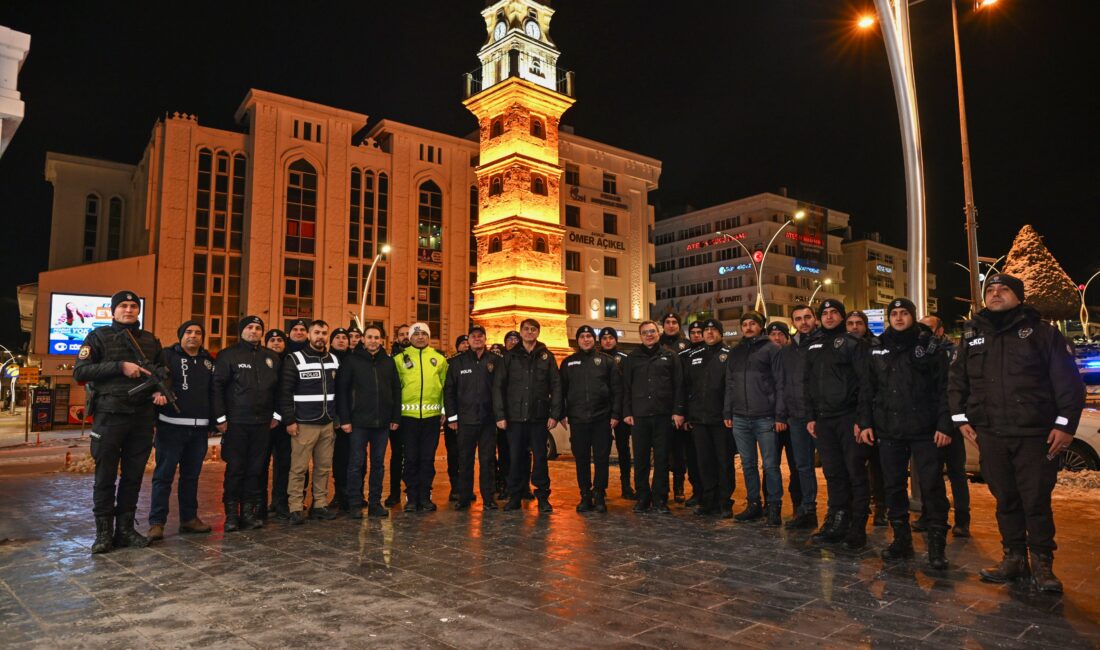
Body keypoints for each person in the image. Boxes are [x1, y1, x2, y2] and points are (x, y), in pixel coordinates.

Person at [949, 274, 1086, 593]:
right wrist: (960, 418)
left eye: (1004, 289)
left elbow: (1068, 383)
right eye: (991, 290)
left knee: (1035, 500)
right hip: (991, 434)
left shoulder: (1042, 333)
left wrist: (1065, 425)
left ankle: (1042, 564)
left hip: (1034, 435)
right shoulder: (972, 334)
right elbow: (957, 380)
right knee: (1005, 499)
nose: (995, 294)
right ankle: (1013, 558)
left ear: (1019, 297)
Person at [74, 290, 167, 553]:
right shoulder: (98, 337)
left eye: (133, 306)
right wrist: (119, 366)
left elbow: (163, 371)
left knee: (133, 476)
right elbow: (80, 371)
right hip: (109, 415)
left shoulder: (150, 340)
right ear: (113, 310)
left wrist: (159, 390)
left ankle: (125, 530)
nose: (128, 310)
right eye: (123, 306)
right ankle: (103, 534)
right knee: (105, 476)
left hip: (141, 417)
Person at [864, 298, 953, 570]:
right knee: (893, 486)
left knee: (932, 486)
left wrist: (944, 424)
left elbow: (944, 389)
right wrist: (866, 422)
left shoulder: (928, 346)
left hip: (925, 429)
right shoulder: (877, 346)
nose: (899, 318)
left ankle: (937, 545)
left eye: (904, 313)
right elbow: (868, 389)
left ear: (912, 316)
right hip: (889, 428)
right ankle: (901, 540)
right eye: (894, 313)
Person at [804, 299, 874, 549]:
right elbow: (808, 383)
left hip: (848, 418)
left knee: (855, 473)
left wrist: (862, 419)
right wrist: (811, 416)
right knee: (833, 473)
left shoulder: (853, 343)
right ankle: (836, 521)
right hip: (824, 420)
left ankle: (857, 527)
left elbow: (866, 383)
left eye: (834, 312)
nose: (829, 316)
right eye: (825, 313)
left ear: (842, 317)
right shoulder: (813, 345)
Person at [212, 315, 281, 532]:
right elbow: (217, 387)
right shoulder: (228, 355)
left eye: (258, 328)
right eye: (249, 327)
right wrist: (220, 418)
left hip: (262, 424)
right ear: (242, 331)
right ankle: (232, 515)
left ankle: (249, 514)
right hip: (236, 423)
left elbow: (279, 390)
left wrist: (277, 415)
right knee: (236, 469)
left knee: (255, 470)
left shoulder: (271, 357)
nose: (254, 331)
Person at [147, 320, 214, 541]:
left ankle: (189, 519)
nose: (193, 336)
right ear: (181, 335)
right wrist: (156, 394)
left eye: (198, 332)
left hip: (199, 430)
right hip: (171, 427)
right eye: (188, 332)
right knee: (163, 476)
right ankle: (157, 522)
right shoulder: (166, 356)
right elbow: (152, 379)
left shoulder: (208, 361)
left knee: (191, 477)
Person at [493, 319, 562, 513]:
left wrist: (555, 414)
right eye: (526, 329)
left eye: (533, 329)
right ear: (521, 332)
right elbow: (498, 387)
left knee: (540, 459)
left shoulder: (547, 357)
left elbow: (556, 386)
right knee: (516, 458)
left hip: (538, 417)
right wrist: (500, 415)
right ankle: (515, 496)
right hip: (514, 418)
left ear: (538, 332)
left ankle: (543, 497)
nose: (529, 332)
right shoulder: (509, 357)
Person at [725, 311, 785, 526]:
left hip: (765, 417)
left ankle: (774, 506)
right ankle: (753, 504)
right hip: (740, 418)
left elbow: (780, 383)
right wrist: (727, 412)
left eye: (753, 324)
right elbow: (730, 384)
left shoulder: (772, 349)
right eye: (745, 324)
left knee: (770, 465)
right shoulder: (735, 351)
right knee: (747, 464)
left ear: (761, 326)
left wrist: (780, 415)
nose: (749, 327)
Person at [278, 320, 340, 524]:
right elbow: (285, 392)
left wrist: (336, 418)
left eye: (324, 333)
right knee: (298, 469)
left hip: (327, 424)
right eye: (316, 332)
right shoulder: (295, 359)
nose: (320, 336)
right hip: (303, 424)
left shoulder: (333, 360)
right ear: (309, 335)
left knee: (323, 468)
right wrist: (289, 420)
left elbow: (338, 392)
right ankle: (295, 507)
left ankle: (320, 505)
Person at [337, 325, 401, 518]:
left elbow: (396, 390)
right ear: (363, 340)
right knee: (356, 464)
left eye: (377, 337)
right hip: (358, 422)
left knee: (378, 464)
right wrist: (345, 419)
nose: (373, 340)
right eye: (370, 337)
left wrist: (395, 417)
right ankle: (355, 504)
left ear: (381, 340)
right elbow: (342, 391)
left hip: (382, 423)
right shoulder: (351, 361)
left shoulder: (388, 362)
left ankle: (375, 503)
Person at [623, 320, 685, 514]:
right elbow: (626, 387)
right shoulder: (632, 358)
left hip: (663, 415)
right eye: (645, 332)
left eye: (652, 331)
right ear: (640, 336)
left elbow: (679, 385)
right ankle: (643, 497)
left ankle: (660, 499)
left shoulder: (670, 356)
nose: (649, 335)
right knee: (641, 460)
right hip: (639, 416)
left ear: (658, 333)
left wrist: (678, 411)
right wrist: (627, 412)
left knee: (662, 460)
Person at [560, 325, 622, 513]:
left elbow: (617, 390)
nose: (586, 339)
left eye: (589, 336)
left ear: (593, 340)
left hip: (601, 418)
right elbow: (561, 390)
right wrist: (561, 413)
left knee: (602, 459)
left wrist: (615, 414)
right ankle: (585, 495)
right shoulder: (568, 362)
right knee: (582, 459)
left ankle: (600, 494)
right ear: (577, 340)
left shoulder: (606, 361)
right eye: (582, 336)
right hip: (578, 419)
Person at [918, 314, 970, 537]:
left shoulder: (954, 352)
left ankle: (962, 520)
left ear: (939, 330)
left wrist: (948, 424)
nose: (924, 332)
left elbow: (955, 390)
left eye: (929, 328)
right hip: (927, 423)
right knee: (929, 474)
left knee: (956, 472)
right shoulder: (919, 352)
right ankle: (930, 515)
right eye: (921, 328)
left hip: (950, 423)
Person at [443, 325, 499, 510]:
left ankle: (488, 499)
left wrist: (500, 416)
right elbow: (449, 391)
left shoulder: (495, 361)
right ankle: (464, 498)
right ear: (468, 339)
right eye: (473, 336)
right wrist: (452, 418)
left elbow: (501, 390)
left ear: (485, 338)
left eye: (480, 336)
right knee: (465, 461)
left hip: (488, 421)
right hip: (465, 421)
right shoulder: (457, 362)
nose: (477, 339)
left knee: (487, 461)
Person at [395, 322, 449, 513]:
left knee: (427, 459)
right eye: (416, 334)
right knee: (410, 458)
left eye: (424, 334)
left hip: (431, 418)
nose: (420, 337)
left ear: (429, 337)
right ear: (410, 337)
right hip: (407, 418)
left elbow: (446, 386)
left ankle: (425, 496)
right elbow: (394, 389)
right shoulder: (399, 360)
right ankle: (411, 497)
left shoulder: (439, 359)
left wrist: (444, 410)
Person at [776, 307, 821, 530]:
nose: (803, 322)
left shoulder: (823, 343)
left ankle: (841, 512)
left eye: (807, 317)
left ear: (815, 319)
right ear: (792, 322)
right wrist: (783, 414)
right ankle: (808, 510)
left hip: (822, 417)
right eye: (798, 319)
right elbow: (782, 383)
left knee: (834, 468)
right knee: (803, 466)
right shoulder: (788, 350)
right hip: (796, 416)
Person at [684, 319, 734, 518]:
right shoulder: (694, 356)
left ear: (721, 333)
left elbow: (731, 387)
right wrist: (687, 414)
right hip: (699, 419)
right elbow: (687, 386)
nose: (710, 333)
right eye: (707, 330)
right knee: (704, 462)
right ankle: (708, 500)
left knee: (724, 462)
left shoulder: (729, 354)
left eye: (714, 330)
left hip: (721, 419)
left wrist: (728, 412)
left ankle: (725, 502)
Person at [848, 310, 887, 527]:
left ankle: (881, 507)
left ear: (865, 325)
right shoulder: (842, 347)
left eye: (859, 323)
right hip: (851, 414)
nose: (855, 327)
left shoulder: (877, 346)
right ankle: (860, 506)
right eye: (851, 323)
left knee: (878, 465)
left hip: (876, 414)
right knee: (855, 465)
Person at [766, 321, 801, 515]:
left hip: (793, 418)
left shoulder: (793, 356)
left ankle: (799, 505)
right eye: (773, 334)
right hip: (770, 419)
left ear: (787, 337)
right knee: (770, 464)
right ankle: (769, 505)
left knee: (797, 465)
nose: (777, 338)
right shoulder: (764, 357)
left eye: (781, 334)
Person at [600, 327, 635, 500]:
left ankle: (626, 486)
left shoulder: (625, 358)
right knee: (602, 451)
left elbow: (628, 385)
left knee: (623, 450)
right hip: (602, 411)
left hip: (621, 411)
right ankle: (601, 486)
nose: (608, 341)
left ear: (616, 340)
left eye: (611, 337)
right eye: (604, 338)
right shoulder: (596, 358)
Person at [261, 329, 291, 521]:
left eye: (280, 340)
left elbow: (287, 392)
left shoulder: (289, 362)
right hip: (263, 421)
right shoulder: (260, 361)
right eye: (272, 340)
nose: (276, 343)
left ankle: (280, 502)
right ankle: (260, 504)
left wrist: (280, 415)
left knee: (283, 465)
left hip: (283, 421)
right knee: (261, 464)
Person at [328, 328, 357, 513]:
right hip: (334, 418)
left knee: (355, 458)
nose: (341, 340)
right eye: (337, 337)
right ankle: (340, 494)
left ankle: (354, 494)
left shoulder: (354, 359)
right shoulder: (327, 359)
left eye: (344, 338)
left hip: (354, 417)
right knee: (338, 459)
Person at [443, 335, 473, 501]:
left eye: (468, 343)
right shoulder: (449, 363)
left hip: (470, 418)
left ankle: (466, 488)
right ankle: (455, 487)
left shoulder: (475, 363)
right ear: (457, 346)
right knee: (453, 454)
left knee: (467, 455)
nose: (466, 346)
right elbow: (445, 390)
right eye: (462, 343)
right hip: (453, 418)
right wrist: (448, 415)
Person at [385, 324, 411, 506]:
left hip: (415, 415)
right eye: (401, 334)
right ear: (396, 338)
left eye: (408, 333)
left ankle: (412, 489)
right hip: (397, 415)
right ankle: (394, 492)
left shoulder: (423, 356)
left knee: (413, 455)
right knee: (396, 456)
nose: (405, 337)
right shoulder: (391, 360)